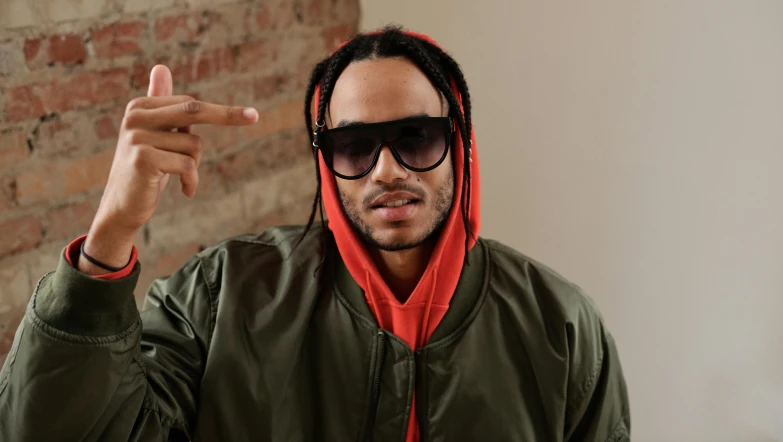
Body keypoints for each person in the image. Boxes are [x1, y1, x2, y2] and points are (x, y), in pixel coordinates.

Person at [0, 27, 630, 441]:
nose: (387, 170)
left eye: (417, 136)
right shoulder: (222, 299)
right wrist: (111, 233)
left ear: (460, 148)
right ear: (325, 163)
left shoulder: (560, 329)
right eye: (354, 145)